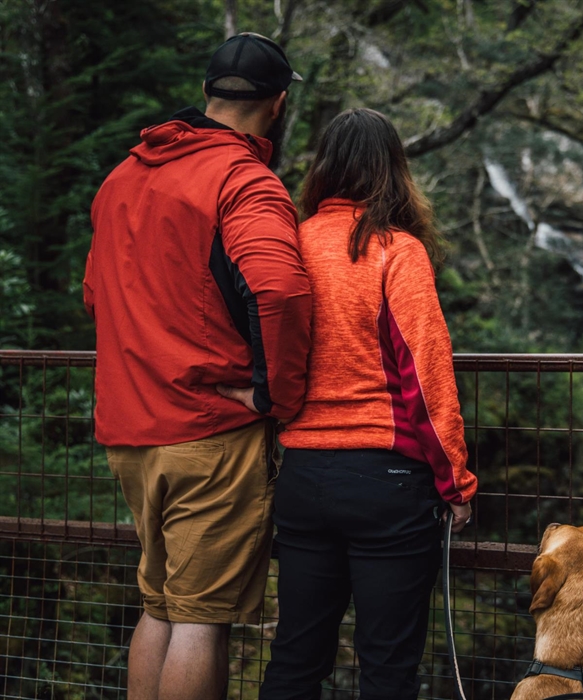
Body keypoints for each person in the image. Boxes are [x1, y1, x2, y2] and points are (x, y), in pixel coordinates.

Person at [82, 33, 312, 700]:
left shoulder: (123, 177)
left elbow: (96, 296)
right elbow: (281, 290)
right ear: (278, 104)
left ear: (208, 92)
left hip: (130, 432)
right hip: (208, 433)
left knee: (160, 604)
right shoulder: (243, 181)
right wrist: (276, 393)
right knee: (200, 621)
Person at [250, 108, 477, 700]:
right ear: (392, 172)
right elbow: (426, 377)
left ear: (323, 169)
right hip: (386, 483)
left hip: (302, 478)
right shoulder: (396, 251)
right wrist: (455, 484)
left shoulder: (289, 244)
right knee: (387, 667)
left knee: (296, 658)